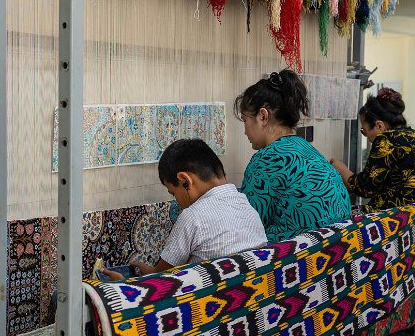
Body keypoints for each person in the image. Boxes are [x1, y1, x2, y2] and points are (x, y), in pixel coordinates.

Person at [101, 139, 267, 280]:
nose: (177, 201)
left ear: (185, 181)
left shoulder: (193, 216)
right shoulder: (246, 206)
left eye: (173, 193)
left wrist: (124, 283)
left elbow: (161, 280)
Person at [236, 71, 352, 243]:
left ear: (263, 116)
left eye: (245, 120)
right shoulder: (308, 150)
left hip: (298, 260)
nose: (245, 131)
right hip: (335, 253)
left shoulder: (266, 160)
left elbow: (247, 227)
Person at [330, 87, 415, 212]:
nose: (366, 137)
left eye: (364, 131)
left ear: (379, 126)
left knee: (339, 215)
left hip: (406, 216)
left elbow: (365, 188)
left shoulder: (386, 140)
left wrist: (341, 169)